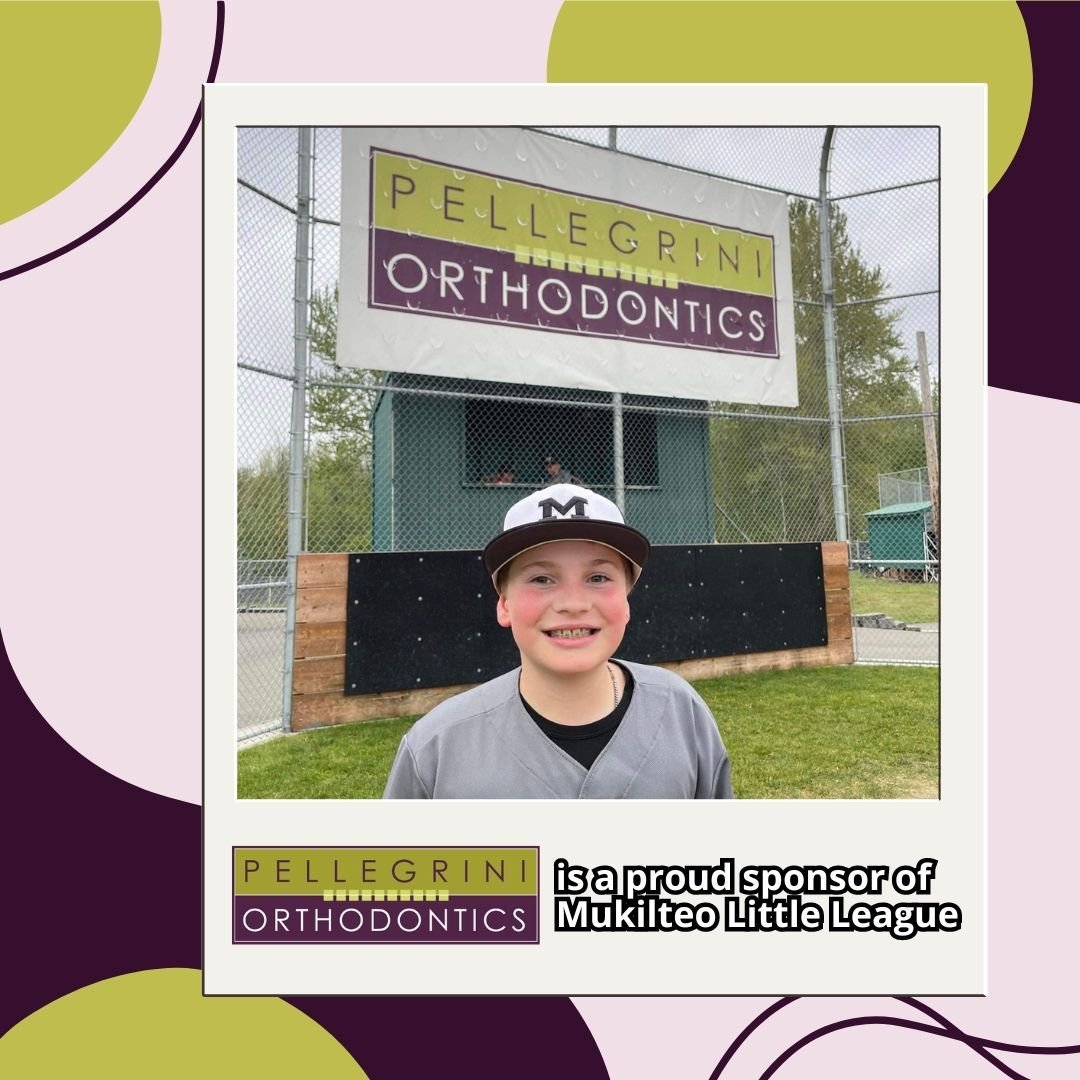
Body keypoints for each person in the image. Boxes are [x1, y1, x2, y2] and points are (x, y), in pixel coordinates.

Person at [383, 484, 733, 799]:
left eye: (598, 577)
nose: (573, 603)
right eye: (541, 578)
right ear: (505, 604)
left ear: (626, 601)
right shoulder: (436, 747)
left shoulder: (681, 710)